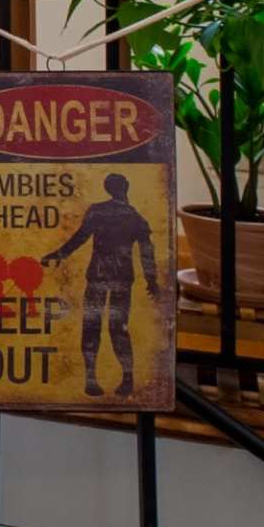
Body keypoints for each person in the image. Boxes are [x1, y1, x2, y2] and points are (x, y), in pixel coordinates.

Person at [42, 170, 158, 398]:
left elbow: (79, 238)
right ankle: (126, 379)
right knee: (118, 328)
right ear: (125, 188)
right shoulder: (135, 217)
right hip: (121, 279)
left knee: (93, 325)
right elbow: (147, 252)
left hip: (98, 276)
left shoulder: (99, 212)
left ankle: (93, 379)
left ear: (108, 189)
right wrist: (151, 280)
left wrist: (58, 254)